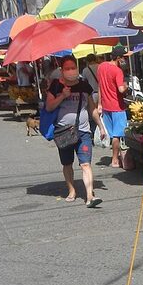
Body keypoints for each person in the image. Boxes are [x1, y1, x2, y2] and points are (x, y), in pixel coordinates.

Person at [45, 56, 108, 208]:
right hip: (63, 131)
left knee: (85, 164)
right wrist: (62, 96)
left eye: (73, 67)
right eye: (67, 68)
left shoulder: (84, 86)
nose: (71, 71)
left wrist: (100, 126)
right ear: (62, 70)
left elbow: (91, 108)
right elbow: (49, 107)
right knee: (67, 164)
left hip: (83, 131)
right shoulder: (55, 86)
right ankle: (72, 190)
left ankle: (90, 196)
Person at [96, 45, 132, 170]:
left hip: (106, 106)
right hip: (117, 106)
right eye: (123, 58)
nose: (125, 60)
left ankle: (116, 158)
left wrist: (99, 103)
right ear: (118, 58)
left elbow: (99, 86)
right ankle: (115, 159)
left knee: (113, 135)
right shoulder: (118, 71)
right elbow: (121, 89)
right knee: (117, 134)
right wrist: (127, 86)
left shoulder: (101, 67)